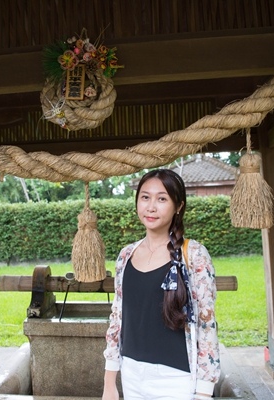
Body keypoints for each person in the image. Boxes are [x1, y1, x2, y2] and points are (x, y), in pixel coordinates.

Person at [102, 169, 220, 400]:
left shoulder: (194, 255)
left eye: (162, 198)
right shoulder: (126, 255)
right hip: (132, 374)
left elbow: (207, 326)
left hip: (177, 380)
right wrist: (109, 382)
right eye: (145, 197)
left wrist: (204, 393)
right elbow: (117, 318)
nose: (151, 206)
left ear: (178, 206)